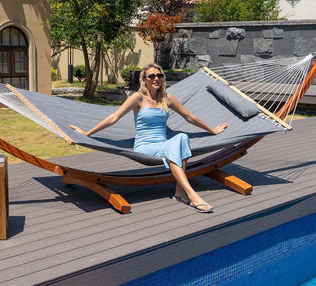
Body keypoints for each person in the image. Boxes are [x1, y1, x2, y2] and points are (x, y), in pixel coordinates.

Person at [70, 63, 228, 213]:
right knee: (175, 144)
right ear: (144, 79)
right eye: (151, 76)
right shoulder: (138, 98)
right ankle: (192, 195)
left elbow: (189, 117)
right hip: (145, 147)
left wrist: (212, 130)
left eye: (159, 75)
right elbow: (114, 117)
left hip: (163, 144)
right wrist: (87, 133)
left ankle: (180, 190)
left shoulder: (167, 98)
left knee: (181, 137)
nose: (156, 79)